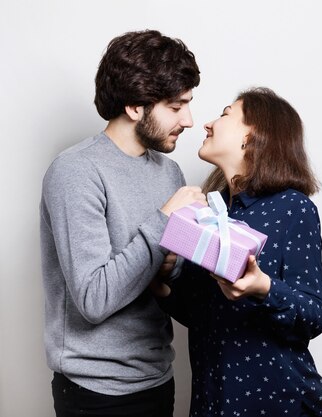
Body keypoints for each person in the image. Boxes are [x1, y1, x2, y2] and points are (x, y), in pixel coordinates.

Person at [39, 29, 206, 417]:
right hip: (95, 392)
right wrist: (164, 221)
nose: (190, 119)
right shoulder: (76, 171)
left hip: (158, 378)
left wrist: (171, 266)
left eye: (188, 104)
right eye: (176, 106)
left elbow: (170, 277)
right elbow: (93, 299)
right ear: (135, 107)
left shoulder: (170, 174)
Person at [155, 87, 322, 416]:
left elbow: (315, 315)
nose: (207, 124)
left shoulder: (292, 208)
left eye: (225, 114)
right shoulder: (210, 213)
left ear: (253, 136)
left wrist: (262, 287)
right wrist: (164, 279)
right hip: (213, 402)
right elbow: (202, 315)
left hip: (277, 404)